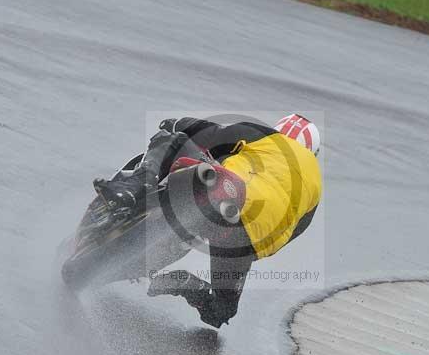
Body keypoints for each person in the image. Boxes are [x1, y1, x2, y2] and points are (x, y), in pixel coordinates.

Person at [93, 114, 322, 328]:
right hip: (244, 238)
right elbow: (286, 235)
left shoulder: (266, 136)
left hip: (223, 189)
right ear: (313, 152)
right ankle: (190, 286)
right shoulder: (316, 188)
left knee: (171, 141)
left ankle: (132, 188)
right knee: (221, 312)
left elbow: (207, 133)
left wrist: (175, 124)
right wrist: (246, 249)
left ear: (279, 130)